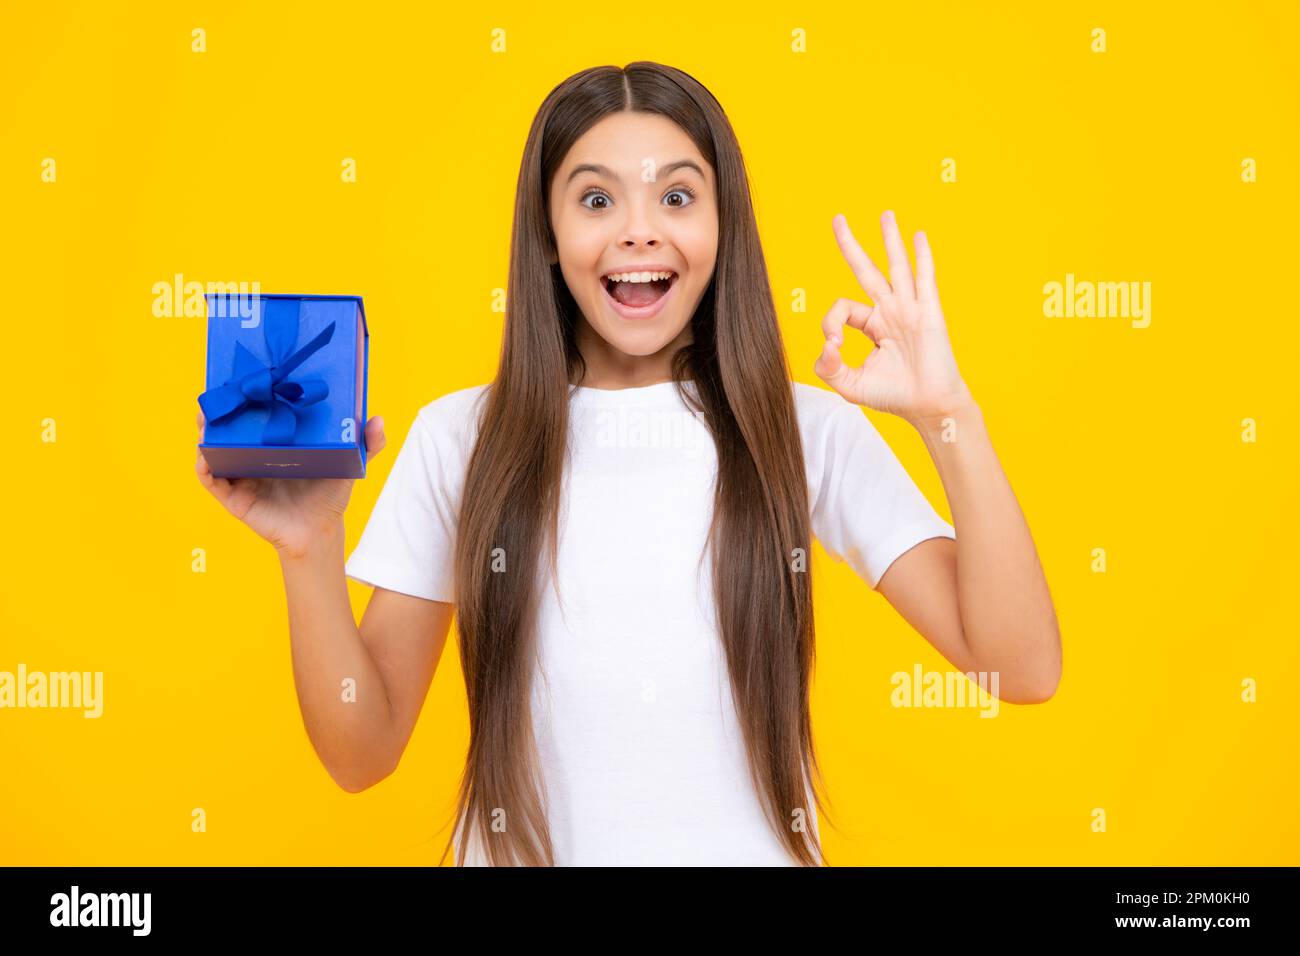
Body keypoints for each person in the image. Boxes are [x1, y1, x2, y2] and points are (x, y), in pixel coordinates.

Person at [196, 61, 1061, 867]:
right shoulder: (462, 438)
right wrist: (307, 552)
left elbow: (1020, 667)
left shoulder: (800, 431)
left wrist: (949, 417)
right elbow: (361, 753)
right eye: (597, 200)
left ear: (723, 228)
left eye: (678, 196)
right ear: (547, 232)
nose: (640, 231)